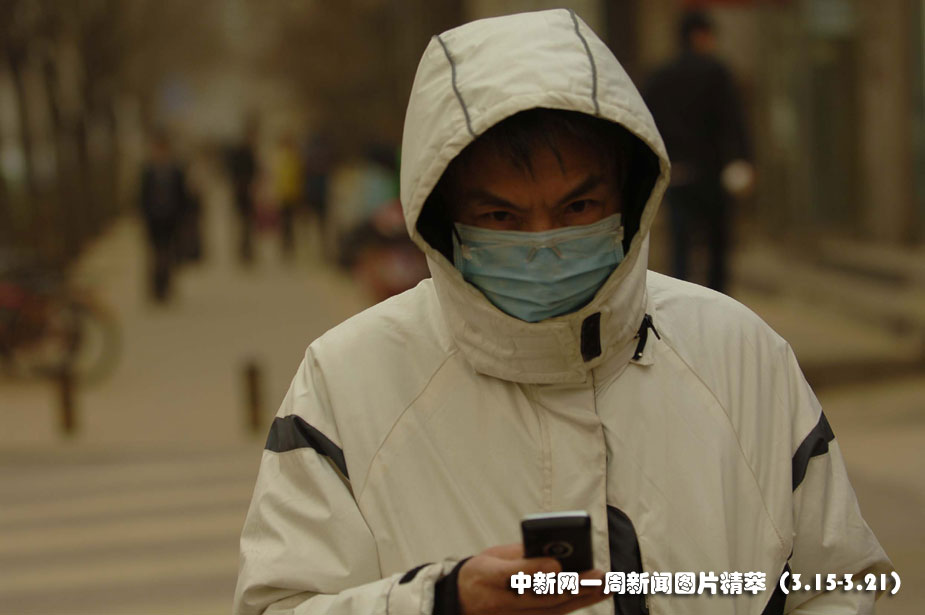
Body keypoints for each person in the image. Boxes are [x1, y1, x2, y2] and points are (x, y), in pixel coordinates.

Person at [234, 10, 890, 615]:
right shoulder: (346, 383)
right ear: (444, 218)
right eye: (501, 217)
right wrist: (443, 602)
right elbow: (278, 605)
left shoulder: (740, 356)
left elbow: (840, 583)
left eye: (577, 208)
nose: (545, 243)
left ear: (628, 198)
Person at [643, 10, 753, 294]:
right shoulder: (716, 72)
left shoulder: (660, 76)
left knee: (681, 244)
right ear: (701, 36)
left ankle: (682, 299)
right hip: (712, 173)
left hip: (677, 172)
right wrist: (743, 160)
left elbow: (646, 123)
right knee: (716, 245)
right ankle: (717, 300)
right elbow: (733, 120)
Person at [139, 132, 190, 303]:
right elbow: (142, 197)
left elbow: (182, 195)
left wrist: (182, 217)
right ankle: (156, 287)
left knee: (168, 253)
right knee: (155, 254)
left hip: (171, 219)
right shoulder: (148, 172)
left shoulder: (176, 171)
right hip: (154, 220)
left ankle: (166, 286)